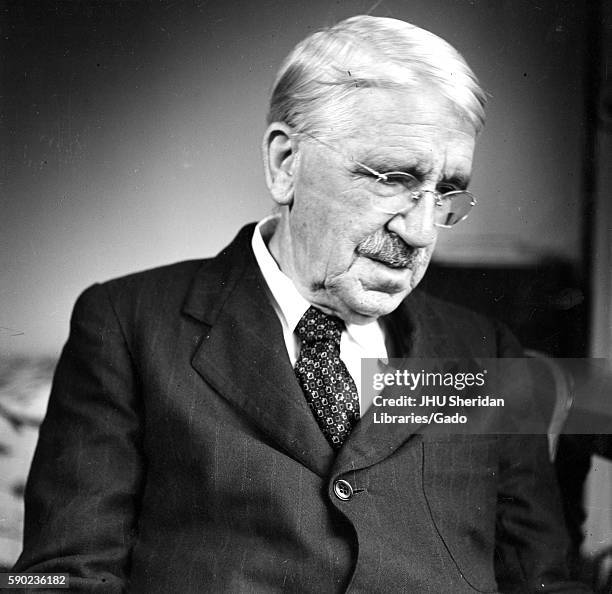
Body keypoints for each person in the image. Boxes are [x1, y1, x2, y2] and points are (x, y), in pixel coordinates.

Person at [14, 15, 589, 593]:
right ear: (286, 164)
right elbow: (62, 578)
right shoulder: (127, 324)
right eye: (392, 177)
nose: (420, 232)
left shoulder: (483, 350)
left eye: (444, 192)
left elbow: (542, 580)